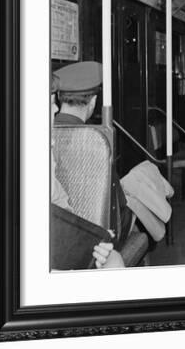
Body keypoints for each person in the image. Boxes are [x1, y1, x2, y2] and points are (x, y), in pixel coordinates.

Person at [51, 63, 126, 268]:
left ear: (59, 98)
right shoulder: (95, 143)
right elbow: (118, 207)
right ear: (93, 102)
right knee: (142, 183)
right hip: (92, 237)